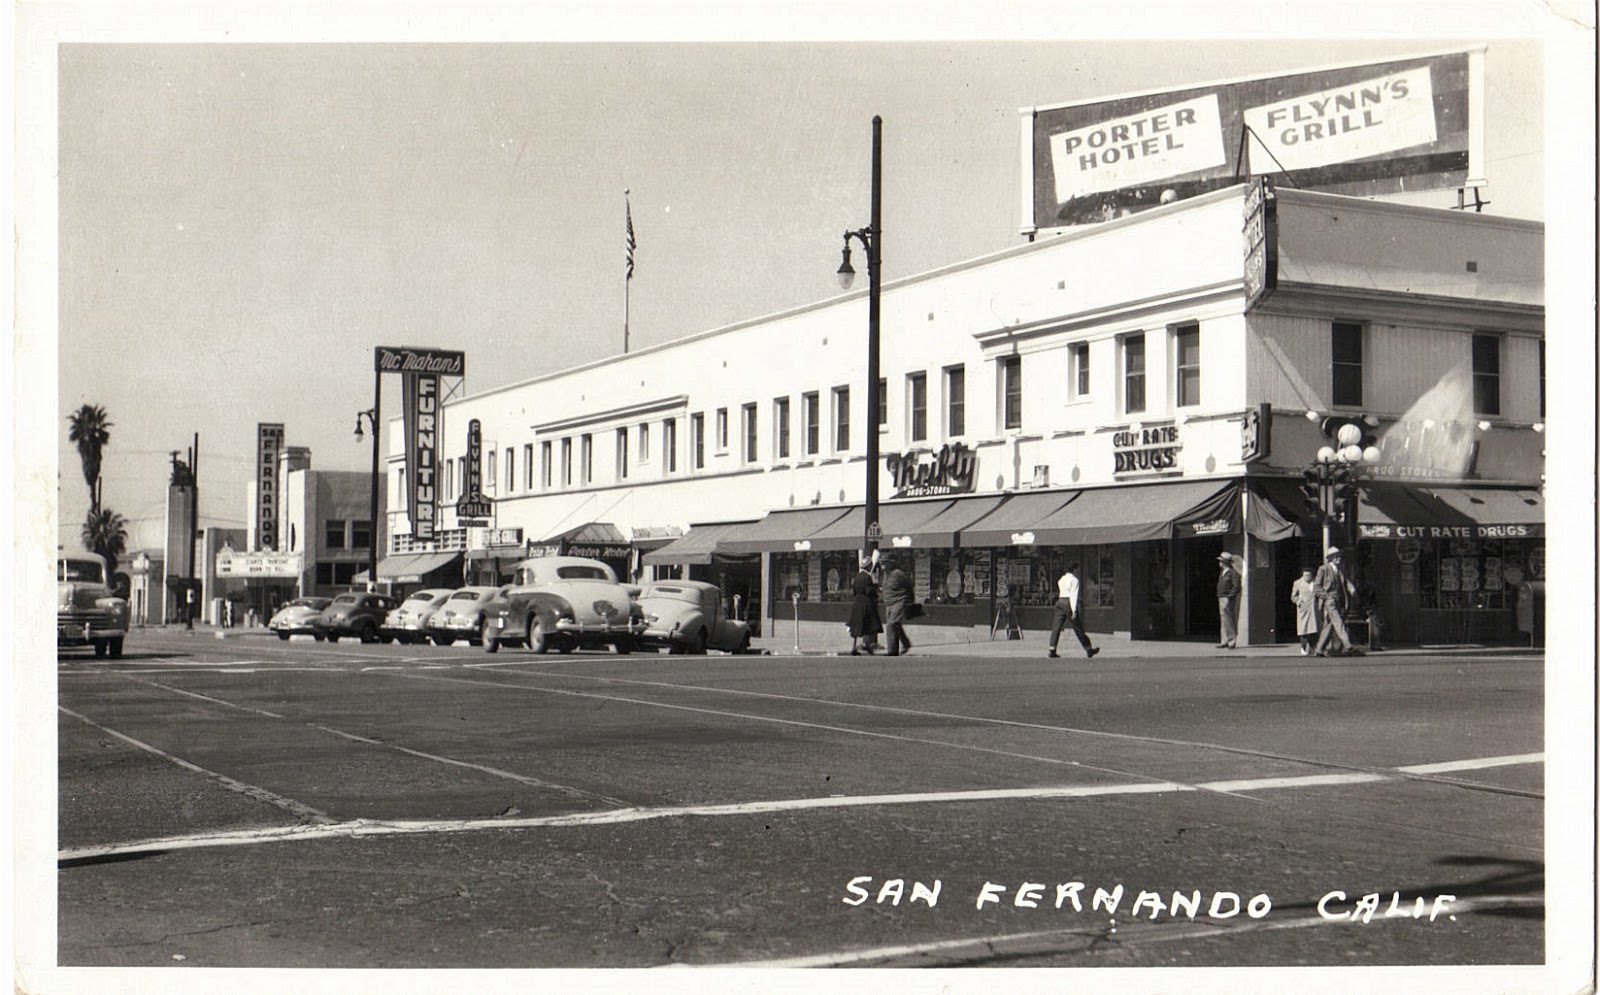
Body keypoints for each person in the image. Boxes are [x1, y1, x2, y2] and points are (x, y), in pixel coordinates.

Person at [1047, 561, 1100, 659]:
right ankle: (1088, 648)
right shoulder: (1074, 580)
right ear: (1075, 570)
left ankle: (1052, 649)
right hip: (1068, 603)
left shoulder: (1062, 579)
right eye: (1077, 569)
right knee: (1077, 627)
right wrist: (1074, 610)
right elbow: (1073, 595)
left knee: (1056, 626)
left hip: (1060, 601)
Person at [1313, 546, 1357, 657]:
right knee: (1338, 622)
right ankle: (1348, 646)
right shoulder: (1323, 569)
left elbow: (1345, 581)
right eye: (1336, 557)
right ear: (1331, 558)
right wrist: (1327, 597)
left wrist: (1351, 588)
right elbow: (1317, 587)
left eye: (1339, 556)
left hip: (1338, 600)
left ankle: (1319, 650)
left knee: (1328, 626)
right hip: (1329, 601)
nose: (1339, 559)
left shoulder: (1340, 569)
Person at [846, 550, 883, 655]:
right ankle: (867, 645)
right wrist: (875, 588)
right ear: (868, 566)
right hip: (866, 603)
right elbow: (868, 591)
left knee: (856, 625)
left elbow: (854, 591)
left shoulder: (857, 576)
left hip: (857, 603)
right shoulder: (867, 577)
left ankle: (854, 647)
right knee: (868, 624)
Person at [880, 554, 915, 657]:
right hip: (889, 602)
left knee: (892, 624)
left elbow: (909, 586)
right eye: (881, 563)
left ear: (891, 563)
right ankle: (903, 645)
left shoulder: (899, 574)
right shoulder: (886, 574)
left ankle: (891, 650)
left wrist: (909, 601)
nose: (882, 565)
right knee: (894, 625)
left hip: (899, 601)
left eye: (884, 562)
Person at [1290, 567, 1319, 655]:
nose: (1307, 577)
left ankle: (1312, 648)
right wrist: (1298, 601)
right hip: (1303, 609)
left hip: (1313, 609)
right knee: (1303, 629)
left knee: (1313, 629)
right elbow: (1293, 596)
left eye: (1309, 575)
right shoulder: (1298, 583)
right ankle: (1303, 648)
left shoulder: (1315, 582)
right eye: (1305, 575)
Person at [1216, 552, 1241, 648]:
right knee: (1223, 619)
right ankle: (1224, 640)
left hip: (1227, 598)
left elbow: (1236, 586)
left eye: (1221, 561)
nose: (1219, 563)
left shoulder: (1232, 573)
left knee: (1228, 619)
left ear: (1225, 562)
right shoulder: (1223, 572)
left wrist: (1230, 596)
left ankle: (1231, 641)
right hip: (1221, 597)